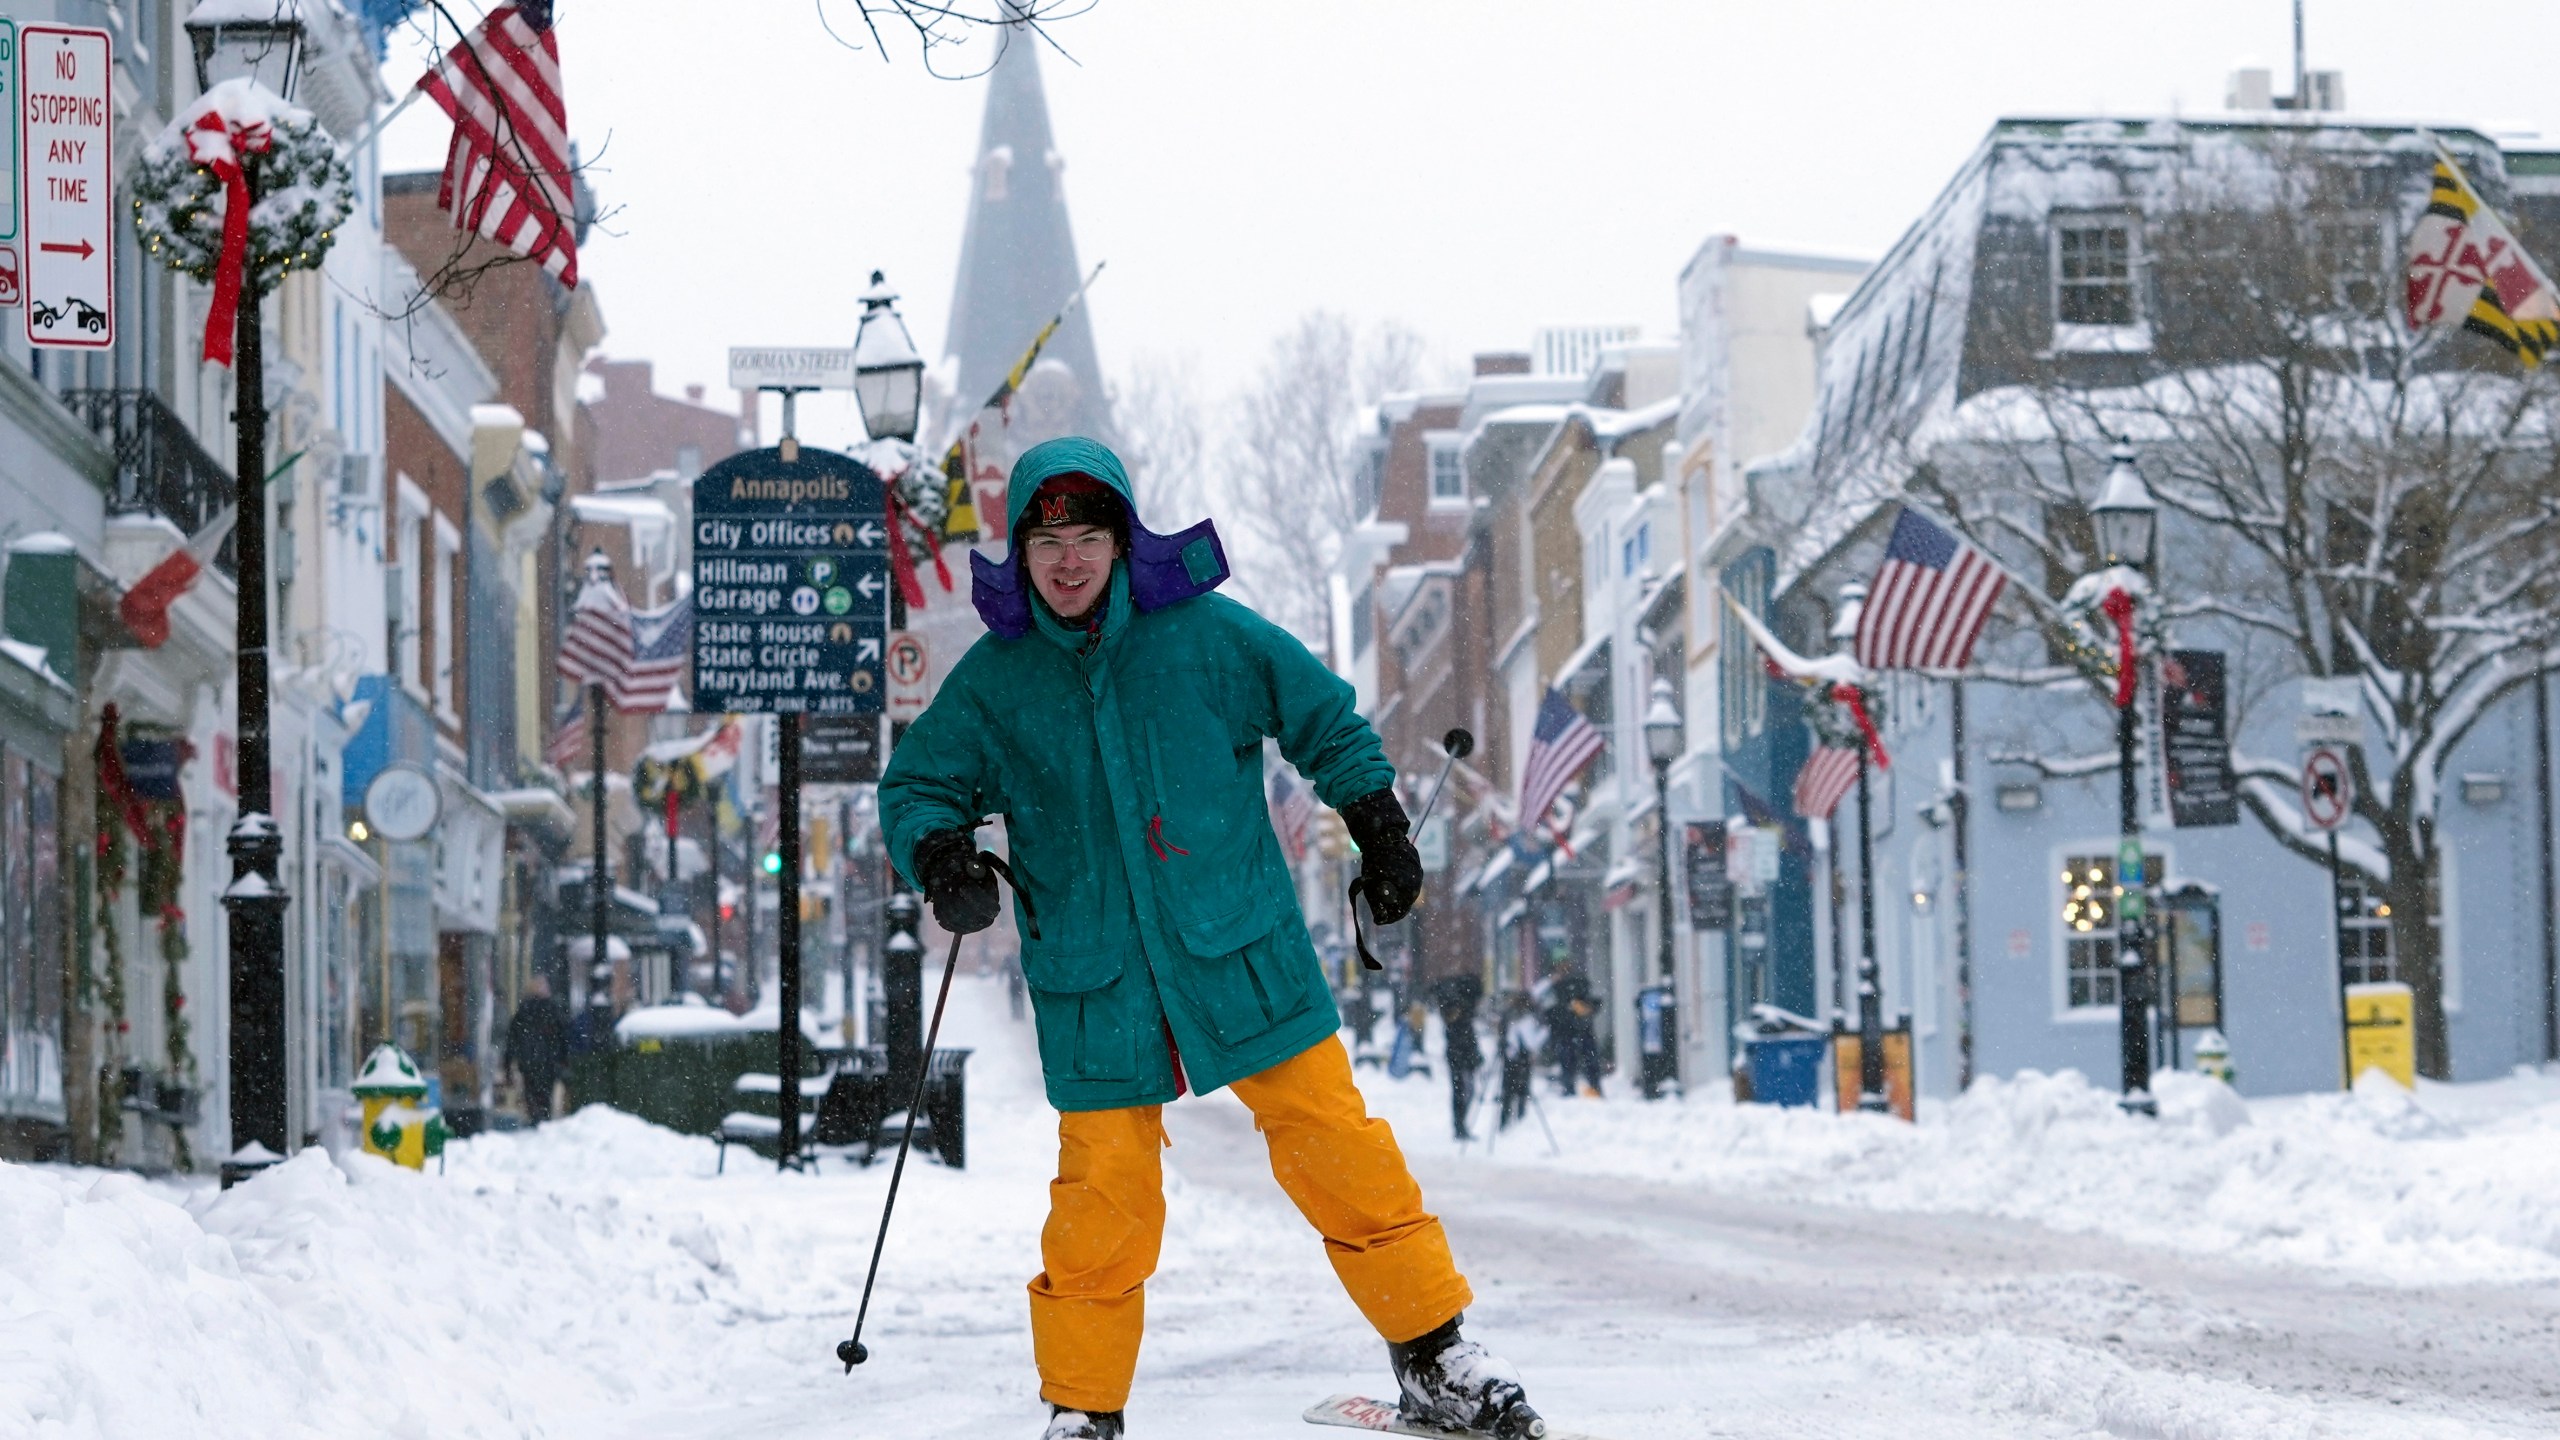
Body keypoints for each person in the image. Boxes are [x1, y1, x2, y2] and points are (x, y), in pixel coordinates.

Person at [882, 438, 1544, 1440]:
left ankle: (1434, 1351)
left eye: (1089, 535)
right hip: (1094, 973)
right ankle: (1083, 1408)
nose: (1068, 560)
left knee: (1335, 1143)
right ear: (1018, 551)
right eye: (1047, 538)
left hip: (1241, 945)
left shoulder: (1203, 637)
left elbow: (1321, 715)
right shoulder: (995, 682)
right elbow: (919, 784)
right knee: (1102, 1190)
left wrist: (1378, 822)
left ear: (1121, 540)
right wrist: (941, 856)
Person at [504, 976, 569, 1125]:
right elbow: (563, 1037)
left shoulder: (523, 1012)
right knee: (546, 1092)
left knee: (531, 1091)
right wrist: (563, 1059)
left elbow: (512, 1040)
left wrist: (509, 1063)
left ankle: (536, 1117)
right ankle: (544, 1116)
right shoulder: (553, 1010)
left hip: (529, 1061)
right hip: (549, 1062)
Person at [1434, 973, 1485, 1141]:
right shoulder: (1458, 1012)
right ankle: (1459, 1125)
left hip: (1461, 1057)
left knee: (1463, 1091)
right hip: (1460, 1057)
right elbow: (1462, 1037)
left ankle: (1460, 1125)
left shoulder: (1458, 1012)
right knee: (1462, 1091)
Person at [1548, 968, 1605, 1098]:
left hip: (1572, 1033)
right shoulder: (1564, 990)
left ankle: (1580, 1088)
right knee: (1583, 1060)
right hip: (1573, 1032)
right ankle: (1584, 1088)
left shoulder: (1563, 990)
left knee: (1576, 1061)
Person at [1497, 990, 1544, 1130]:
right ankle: (1512, 1120)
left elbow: (1502, 1032)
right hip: (1517, 1055)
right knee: (1516, 1090)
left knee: (1512, 1091)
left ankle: (1509, 1122)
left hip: (1518, 1055)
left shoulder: (1521, 1014)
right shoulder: (1524, 1015)